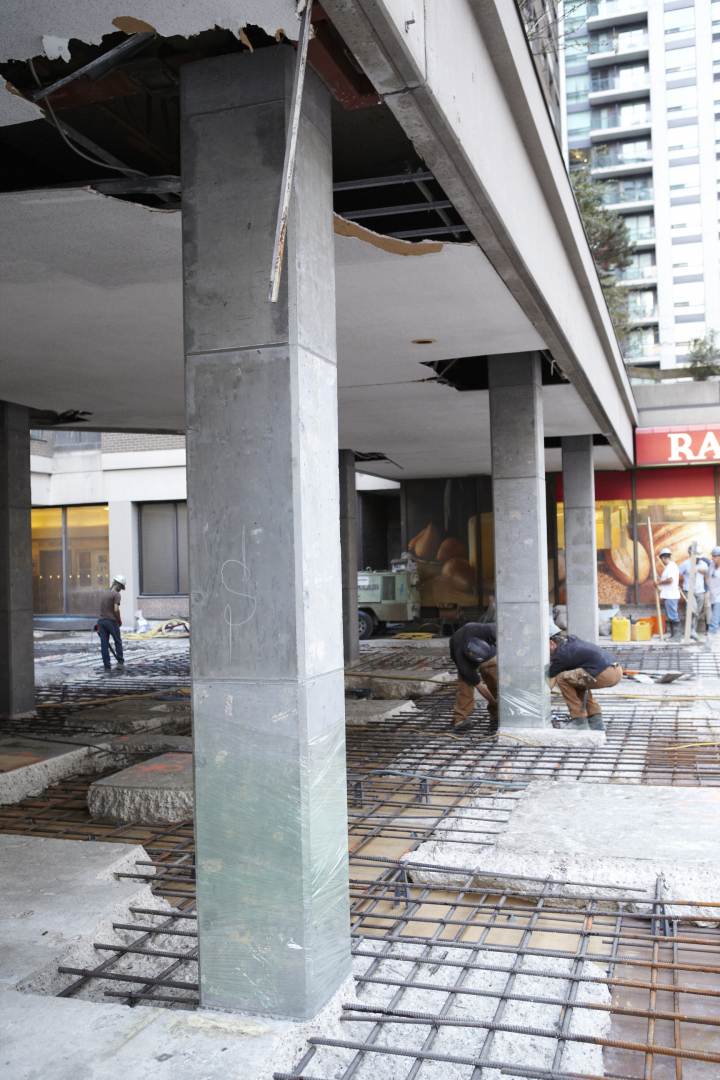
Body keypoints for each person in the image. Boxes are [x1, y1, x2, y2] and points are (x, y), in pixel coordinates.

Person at [548, 628, 622, 732]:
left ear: (551, 643)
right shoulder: (571, 642)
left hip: (604, 673)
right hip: (616, 669)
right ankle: (596, 722)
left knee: (561, 678)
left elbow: (550, 677)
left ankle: (579, 721)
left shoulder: (561, 654)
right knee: (576, 681)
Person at [449, 622, 498, 734]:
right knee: (465, 688)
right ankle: (460, 719)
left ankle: (496, 715)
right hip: (459, 648)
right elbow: (480, 687)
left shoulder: (489, 630)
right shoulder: (464, 664)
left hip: (487, 649)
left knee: (495, 679)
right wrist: (494, 701)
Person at [97, 573, 126, 673]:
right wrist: (119, 620)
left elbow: (101, 609)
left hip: (101, 622)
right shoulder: (116, 594)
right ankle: (120, 663)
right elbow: (116, 609)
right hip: (111, 621)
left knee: (104, 644)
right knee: (117, 641)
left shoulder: (104, 593)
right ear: (118, 585)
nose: (121, 589)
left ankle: (107, 666)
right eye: (121, 587)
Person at [678, 546, 709, 638]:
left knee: (697, 612)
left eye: (699, 557)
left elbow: (707, 573)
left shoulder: (703, 564)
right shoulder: (685, 564)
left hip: (700, 591)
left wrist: (698, 569)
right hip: (689, 590)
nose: (698, 559)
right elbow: (677, 573)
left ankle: (693, 630)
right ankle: (691, 631)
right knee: (692, 609)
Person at [656, 547, 681, 638]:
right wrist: (660, 580)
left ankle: (677, 636)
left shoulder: (671, 566)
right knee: (671, 616)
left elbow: (670, 580)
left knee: (673, 615)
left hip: (671, 595)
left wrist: (659, 582)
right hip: (668, 595)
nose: (662, 561)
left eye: (662, 559)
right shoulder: (669, 567)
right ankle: (673, 635)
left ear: (663, 558)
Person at [708, 546, 720, 635]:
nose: (713, 558)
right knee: (717, 619)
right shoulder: (711, 564)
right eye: (712, 556)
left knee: (714, 622)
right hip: (712, 596)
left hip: (718, 598)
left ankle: (709, 643)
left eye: (715, 556)